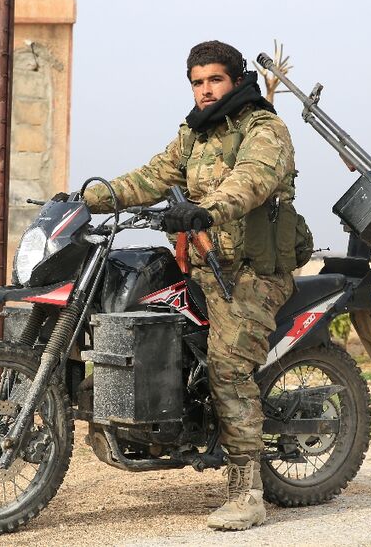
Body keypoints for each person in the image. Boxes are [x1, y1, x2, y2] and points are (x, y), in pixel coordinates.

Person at [80, 40, 299, 531]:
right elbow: (152, 177)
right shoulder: (193, 135)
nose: (205, 90)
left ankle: (247, 492)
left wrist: (205, 209)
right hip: (203, 266)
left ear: (237, 79)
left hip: (251, 275)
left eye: (214, 80)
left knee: (227, 368)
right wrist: (88, 198)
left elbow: (250, 182)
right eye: (197, 82)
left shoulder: (265, 129)